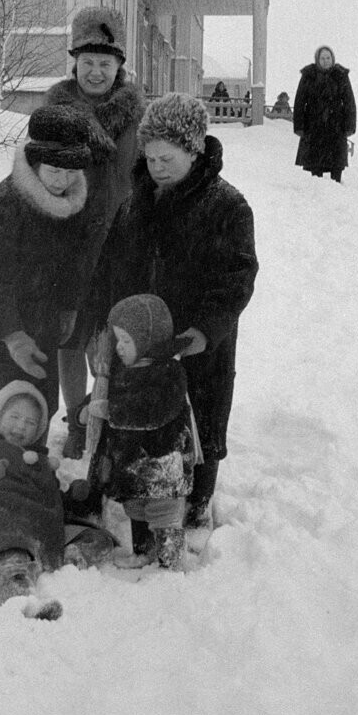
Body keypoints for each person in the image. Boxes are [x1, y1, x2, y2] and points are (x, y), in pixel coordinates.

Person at [81, 92, 258, 536]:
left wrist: (204, 330)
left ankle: (198, 502)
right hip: (138, 339)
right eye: (150, 157)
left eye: (167, 157)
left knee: (203, 417)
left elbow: (237, 276)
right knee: (142, 418)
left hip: (197, 342)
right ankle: (143, 505)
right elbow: (108, 268)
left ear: (194, 150)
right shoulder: (135, 202)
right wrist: (101, 322)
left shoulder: (226, 206)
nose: (156, 166)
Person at [0, 104, 94, 425]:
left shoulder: (75, 199)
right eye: (54, 171)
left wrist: (69, 307)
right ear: (34, 161)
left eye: (71, 172)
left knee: (40, 382)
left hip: (40, 294)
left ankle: (33, 460)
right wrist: (13, 336)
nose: (62, 181)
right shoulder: (5, 202)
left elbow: (75, 261)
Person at [43, 6, 145, 457]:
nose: (96, 72)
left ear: (120, 66)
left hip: (119, 245)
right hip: (67, 243)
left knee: (105, 342)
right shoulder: (55, 112)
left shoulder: (137, 117)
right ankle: (76, 422)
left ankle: (101, 420)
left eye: (106, 63)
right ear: (75, 63)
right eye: (88, 62)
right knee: (69, 336)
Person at [0, 381, 116, 617]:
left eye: (30, 422)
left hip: (35, 524)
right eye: (14, 417)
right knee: (10, 543)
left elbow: (51, 501)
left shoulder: (40, 462)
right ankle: (20, 595)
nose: (20, 426)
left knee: (98, 540)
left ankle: (69, 562)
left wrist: (74, 497)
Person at [87, 294, 196, 571]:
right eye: (118, 340)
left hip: (164, 462)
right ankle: (143, 550)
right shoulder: (122, 371)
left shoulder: (169, 373)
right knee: (136, 507)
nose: (119, 348)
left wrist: (111, 410)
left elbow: (151, 411)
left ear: (148, 338)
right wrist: (82, 412)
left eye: (126, 340)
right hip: (133, 464)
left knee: (163, 513)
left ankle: (172, 561)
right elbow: (104, 400)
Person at [293, 46, 357, 182]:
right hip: (314, 126)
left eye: (328, 58)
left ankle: (337, 188)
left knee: (336, 165)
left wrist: (349, 126)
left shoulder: (341, 75)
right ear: (317, 59)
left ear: (332, 59)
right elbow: (299, 102)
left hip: (336, 127)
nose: (325, 61)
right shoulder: (309, 75)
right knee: (315, 166)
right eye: (322, 58)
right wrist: (299, 126)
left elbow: (349, 102)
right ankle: (317, 194)